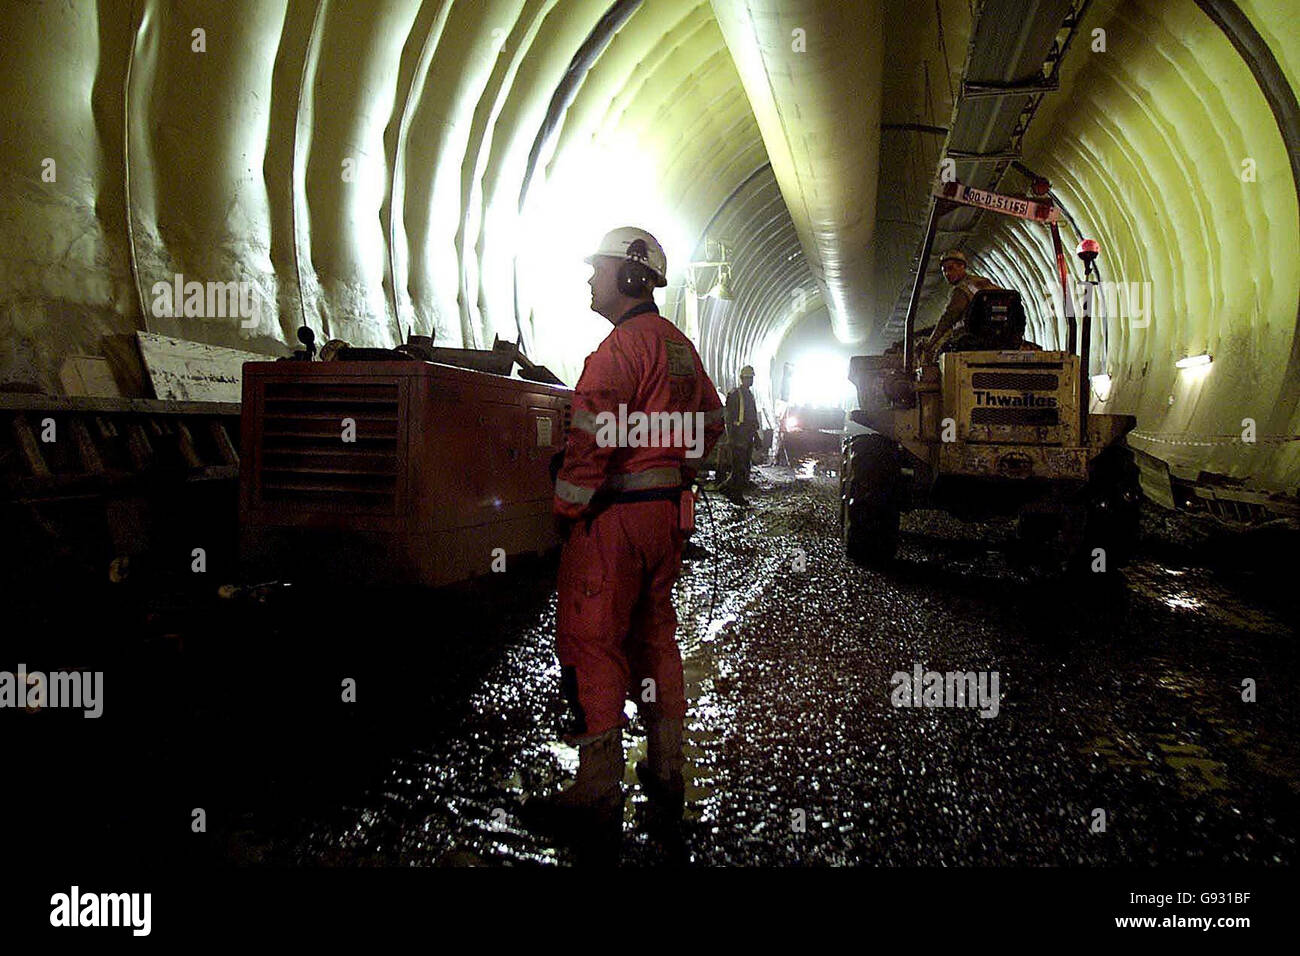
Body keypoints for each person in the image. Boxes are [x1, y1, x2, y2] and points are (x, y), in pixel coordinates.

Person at [521, 227, 724, 852]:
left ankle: (597, 792)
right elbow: (713, 421)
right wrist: (677, 472)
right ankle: (666, 772)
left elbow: (591, 440)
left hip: (614, 518)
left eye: (598, 270)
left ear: (630, 279)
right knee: (655, 635)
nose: (590, 280)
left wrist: (566, 508)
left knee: (593, 639)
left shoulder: (617, 352)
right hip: (665, 517)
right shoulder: (682, 349)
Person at [919, 249, 997, 362]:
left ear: (962, 266)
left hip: (973, 342)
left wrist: (931, 342)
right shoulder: (984, 283)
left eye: (950, 268)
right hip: (999, 339)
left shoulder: (962, 289)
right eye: (944, 270)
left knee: (939, 356)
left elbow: (949, 317)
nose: (947, 274)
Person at [723, 365, 759, 503]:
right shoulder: (735, 394)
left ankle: (734, 487)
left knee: (745, 463)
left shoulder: (750, 395)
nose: (750, 380)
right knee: (738, 465)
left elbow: (752, 417)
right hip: (739, 434)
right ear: (742, 378)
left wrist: (756, 436)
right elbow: (729, 416)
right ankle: (735, 494)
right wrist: (730, 437)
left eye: (751, 378)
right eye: (748, 378)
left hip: (748, 434)